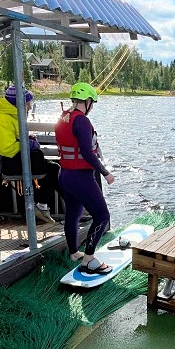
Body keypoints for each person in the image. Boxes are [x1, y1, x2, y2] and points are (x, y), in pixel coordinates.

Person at [55, 82, 115, 273]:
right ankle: (88, 260)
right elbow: (87, 153)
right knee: (102, 216)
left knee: (73, 214)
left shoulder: (64, 117)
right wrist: (106, 173)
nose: (92, 107)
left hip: (65, 175)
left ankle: (74, 252)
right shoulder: (81, 121)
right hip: (80, 177)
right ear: (87, 101)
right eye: (92, 103)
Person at [0, 85, 59, 223]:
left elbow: (14, 139)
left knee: (53, 169)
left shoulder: (12, 118)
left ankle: (44, 207)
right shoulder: (1, 120)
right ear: (18, 104)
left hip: (13, 160)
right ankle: (65, 208)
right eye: (27, 104)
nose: (29, 107)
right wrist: (28, 144)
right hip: (5, 164)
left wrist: (28, 139)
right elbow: (6, 149)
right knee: (51, 168)